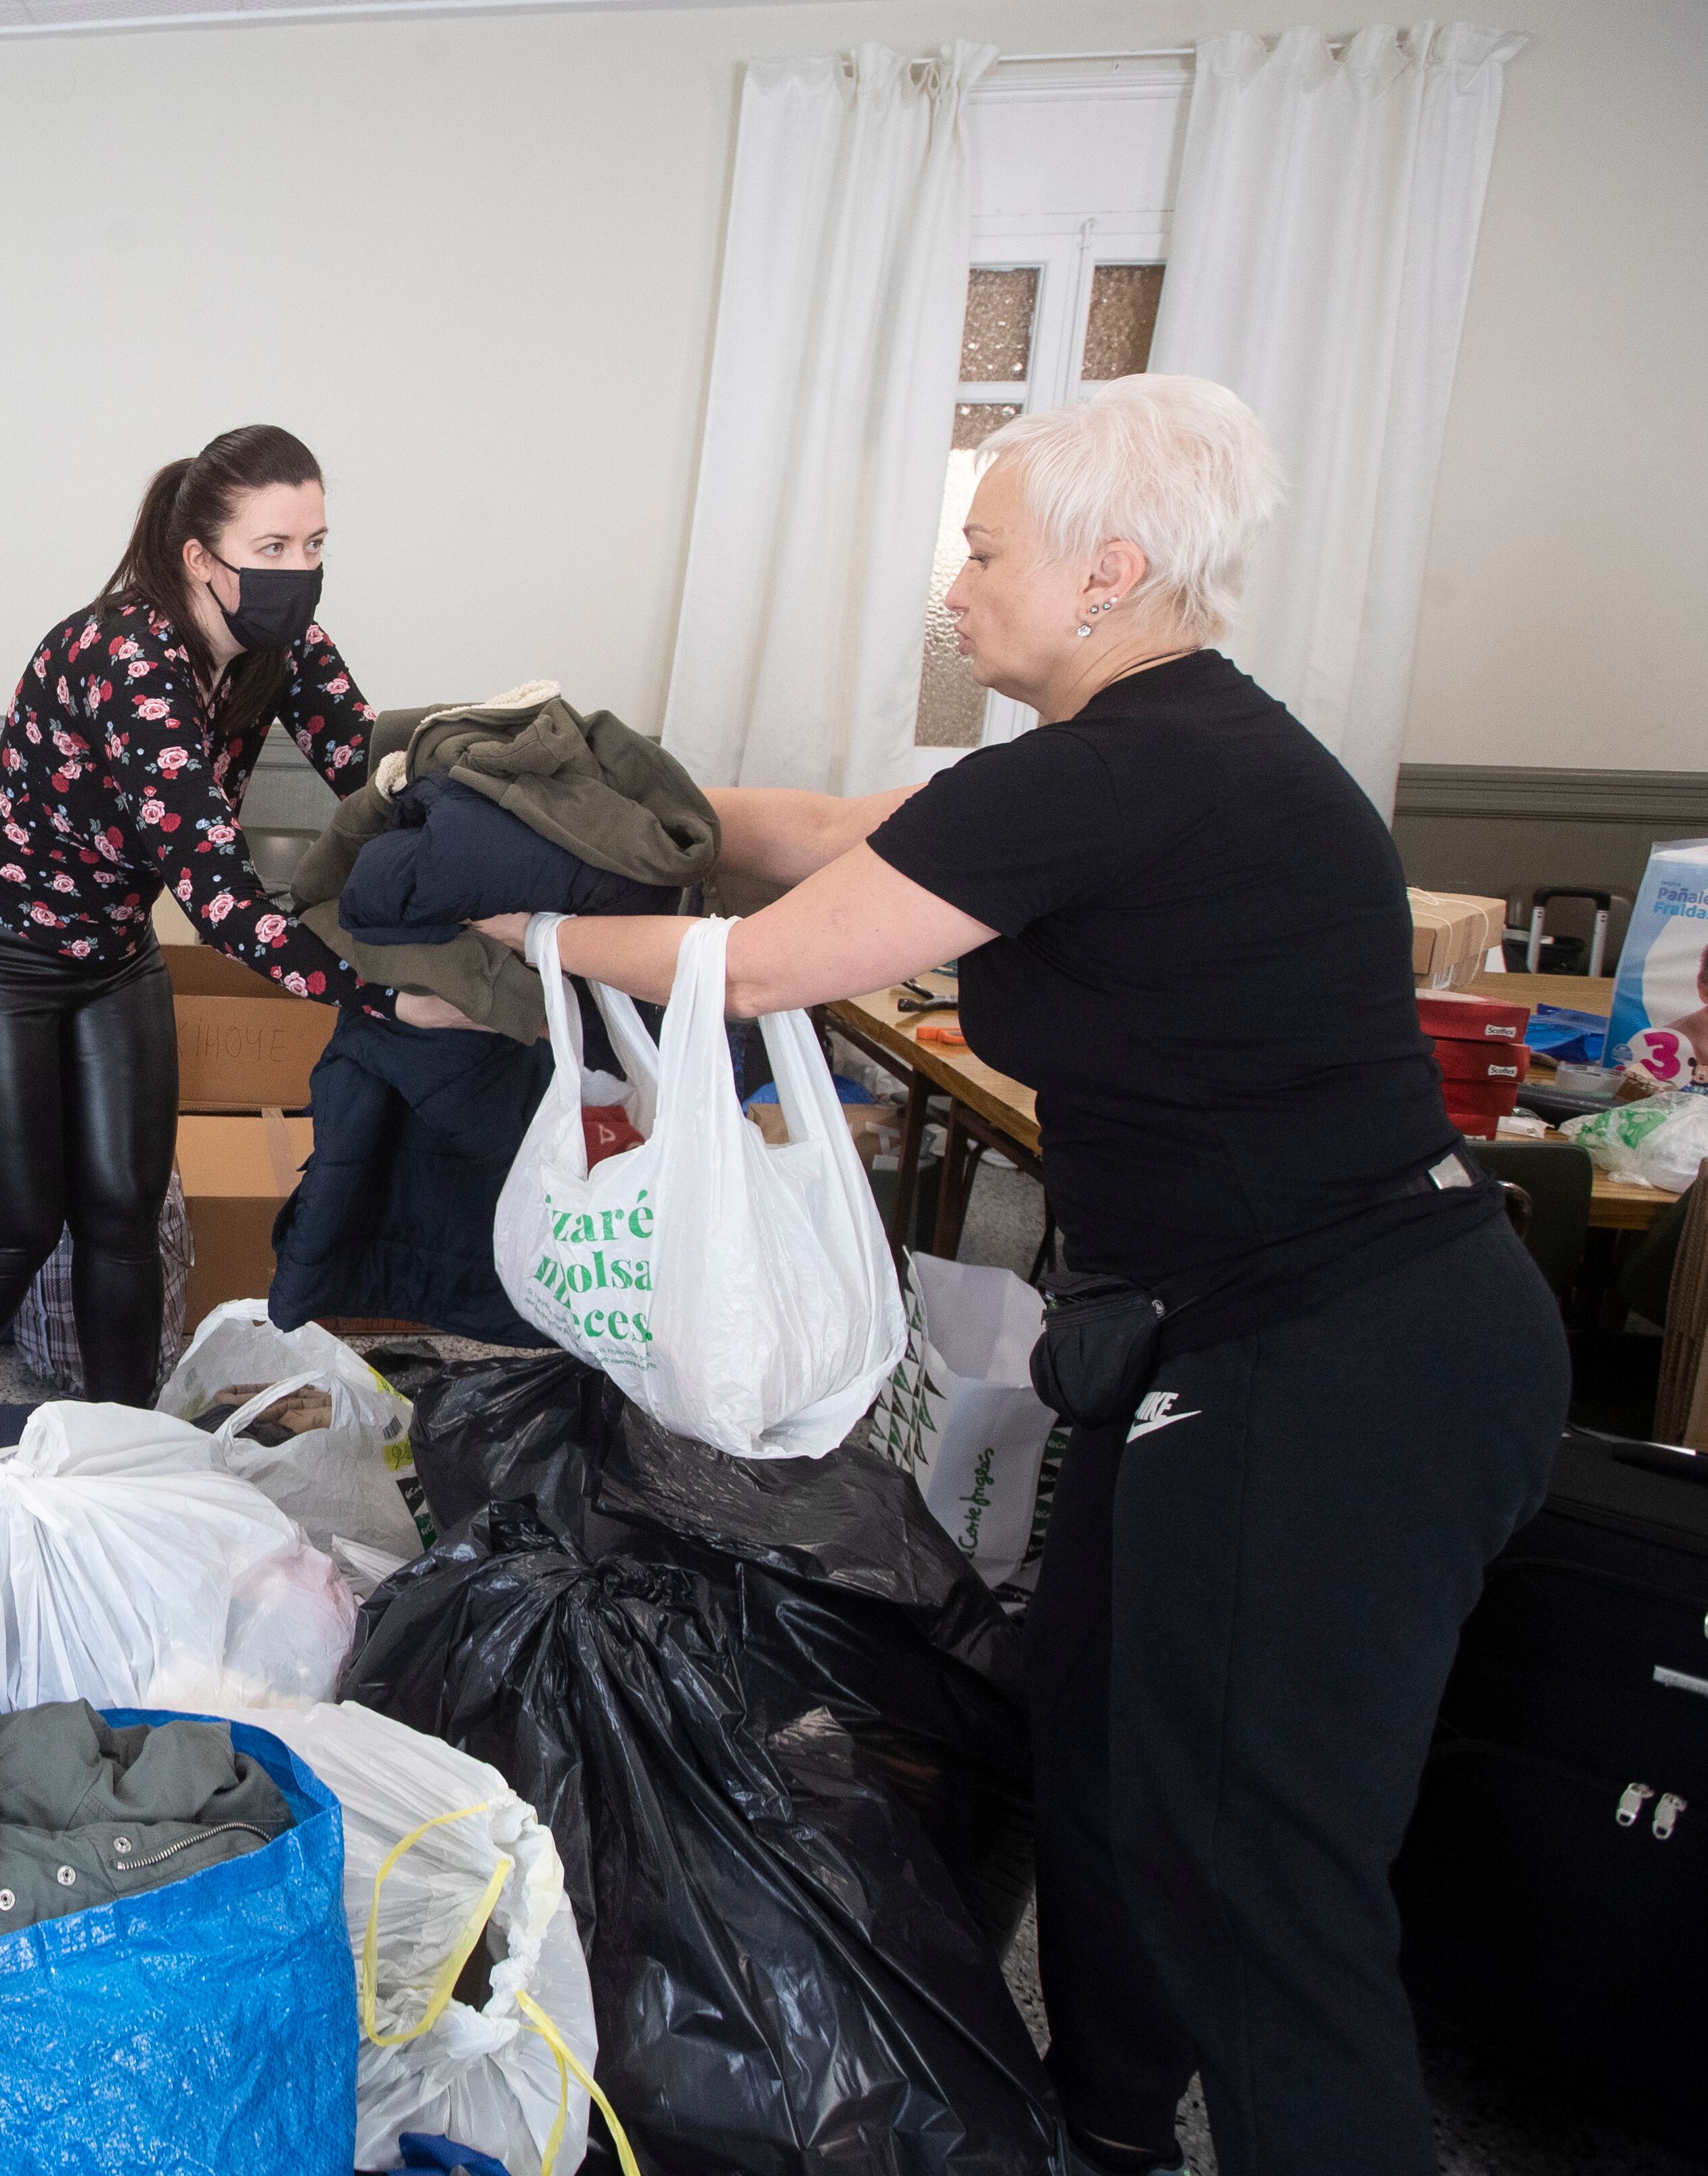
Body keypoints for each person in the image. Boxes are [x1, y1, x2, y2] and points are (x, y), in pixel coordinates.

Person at [478, 375, 1566, 2176]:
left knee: (1253, 1862)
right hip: (1258, 1333)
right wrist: (602, 793)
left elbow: (765, 963)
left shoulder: (1143, 764)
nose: (953, 584)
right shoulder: (1126, 756)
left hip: (1343, 1356)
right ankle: (1110, 2127)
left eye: (983, 548)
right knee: (1101, 1749)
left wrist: (506, 930)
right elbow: (828, 830)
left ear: (1105, 573)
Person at [0, 425, 477, 1436]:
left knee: (122, 1219)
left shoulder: (280, 646)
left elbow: (367, 774)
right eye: (274, 548)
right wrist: (387, 993)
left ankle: (130, 1458)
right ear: (199, 559)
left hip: (112, 954)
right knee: (17, 1226)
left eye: (315, 544)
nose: (301, 572)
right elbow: (219, 899)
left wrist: (489, 849)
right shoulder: (126, 656)